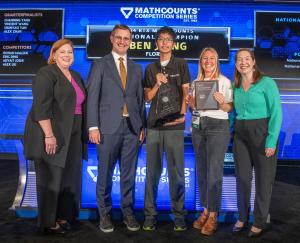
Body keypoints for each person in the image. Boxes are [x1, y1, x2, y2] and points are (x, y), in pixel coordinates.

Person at [24, 39, 87, 234]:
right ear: (53, 55)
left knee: (69, 176)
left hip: (73, 132)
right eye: (62, 52)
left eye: (70, 52)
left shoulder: (75, 75)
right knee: (51, 178)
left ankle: (63, 215)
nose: (67, 55)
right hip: (52, 131)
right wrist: (49, 135)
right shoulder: (46, 73)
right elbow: (41, 108)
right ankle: (47, 221)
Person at [86, 24, 145, 233]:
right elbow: (92, 98)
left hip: (131, 129)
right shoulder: (100, 65)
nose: (122, 41)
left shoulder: (137, 68)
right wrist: (93, 126)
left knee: (128, 175)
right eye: (118, 37)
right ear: (112, 39)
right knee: (104, 175)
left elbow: (139, 100)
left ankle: (128, 213)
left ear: (131, 41)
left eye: (126, 38)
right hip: (106, 129)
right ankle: (104, 215)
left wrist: (142, 127)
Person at [143, 26, 190, 231]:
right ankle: (150, 216)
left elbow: (186, 93)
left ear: (173, 43)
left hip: (174, 128)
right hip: (154, 127)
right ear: (156, 43)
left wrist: (181, 117)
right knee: (152, 174)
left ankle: (179, 216)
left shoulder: (181, 64)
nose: (164, 43)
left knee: (177, 174)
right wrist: (156, 83)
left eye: (168, 39)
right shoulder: (150, 68)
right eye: (161, 39)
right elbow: (147, 97)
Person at [232, 48, 282, 238]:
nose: (243, 62)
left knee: (263, 181)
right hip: (240, 135)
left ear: (253, 61)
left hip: (262, 134)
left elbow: (276, 113)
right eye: (239, 60)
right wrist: (230, 128)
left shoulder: (267, 83)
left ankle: (259, 220)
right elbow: (234, 112)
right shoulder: (235, 85)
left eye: (246, 59)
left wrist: (271, 141)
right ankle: (243, 216)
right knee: (243, 179)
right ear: (236, 64)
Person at [187, 47, 233, 235]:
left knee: (214, 172)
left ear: (216, 61)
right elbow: (194, 109)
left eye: (211, 58)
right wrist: (191, 104)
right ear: (201, 61)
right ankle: (205, 210)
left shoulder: (224, 81)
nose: (208, 61)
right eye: (204, 58)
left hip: (217, 127)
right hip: (198, 127)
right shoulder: (196, 82)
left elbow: (229, 107)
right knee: (203, 172)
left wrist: (222, 103)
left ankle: (213, 215)